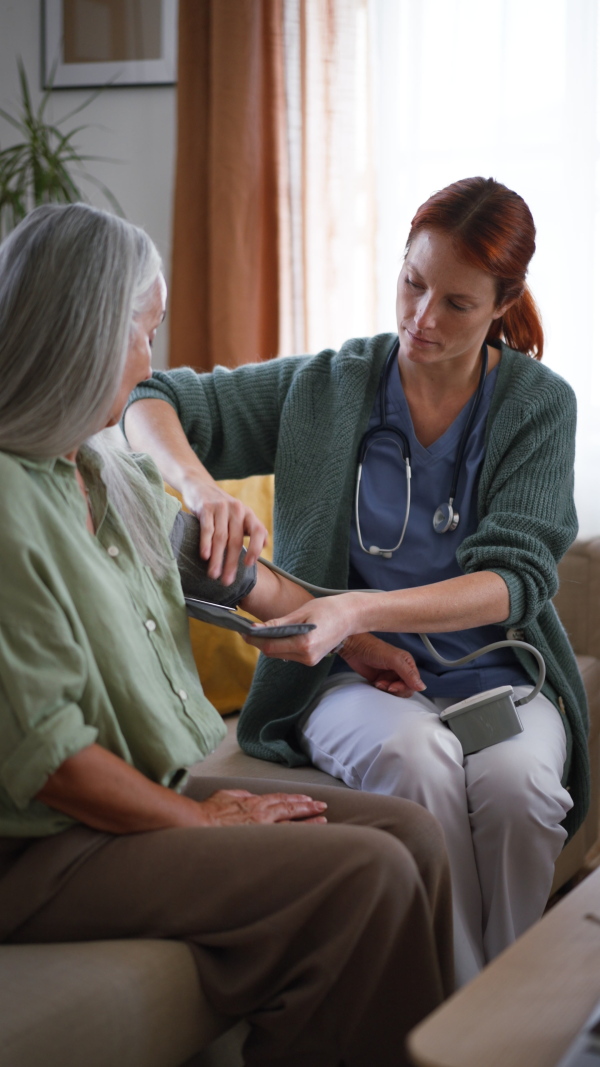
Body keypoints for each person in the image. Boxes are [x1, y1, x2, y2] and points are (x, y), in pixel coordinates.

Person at [0, 202, 455, 1067]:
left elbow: (210, 578)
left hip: (134, 804)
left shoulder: (99, 469)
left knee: (413, 836)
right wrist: (199, 820)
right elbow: (51, 759)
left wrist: (344, 631)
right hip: (43, 849)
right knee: (369, 874)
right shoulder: (6, 501)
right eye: (145, 332)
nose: (149, 362)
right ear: (85, 335)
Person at [123, 176, 589, 986]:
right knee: (418, 761)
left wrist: (354, 608)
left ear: (504, 303)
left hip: (501, 676)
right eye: (413, 283)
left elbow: (514, 579)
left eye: (457, 303)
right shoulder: (330, 386)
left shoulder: (537, 405)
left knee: (519, 789)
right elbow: (150, 397)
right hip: (348, 680)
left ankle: (494, 1005)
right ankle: (467, 1018)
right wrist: (203, 491)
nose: (422, 319)